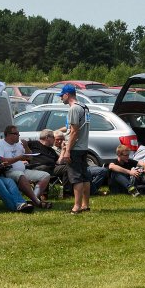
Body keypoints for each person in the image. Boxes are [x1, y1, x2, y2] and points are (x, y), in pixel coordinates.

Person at [0, 124, 52, 208]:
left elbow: (30, 157)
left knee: (45, 176)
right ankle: (37, 201)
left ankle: (34, 199)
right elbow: (2, 161)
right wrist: (19, 158)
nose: (19, 135)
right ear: (9, 134)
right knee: (19, 175)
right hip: (7, 172)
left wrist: (26, 146)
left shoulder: (18, 144)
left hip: (23, 170)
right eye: (16, 134)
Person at [58, 84, 92, 214]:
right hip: (84, 146)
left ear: (68, 94)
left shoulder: (73, 109)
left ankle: (76, 207)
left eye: (62, 95)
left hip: (75, 148)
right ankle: (85, 205)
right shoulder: (84, 107)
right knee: (85, 177)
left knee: (76, 178)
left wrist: (67, 151)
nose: (61, 98)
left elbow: (74, 132)